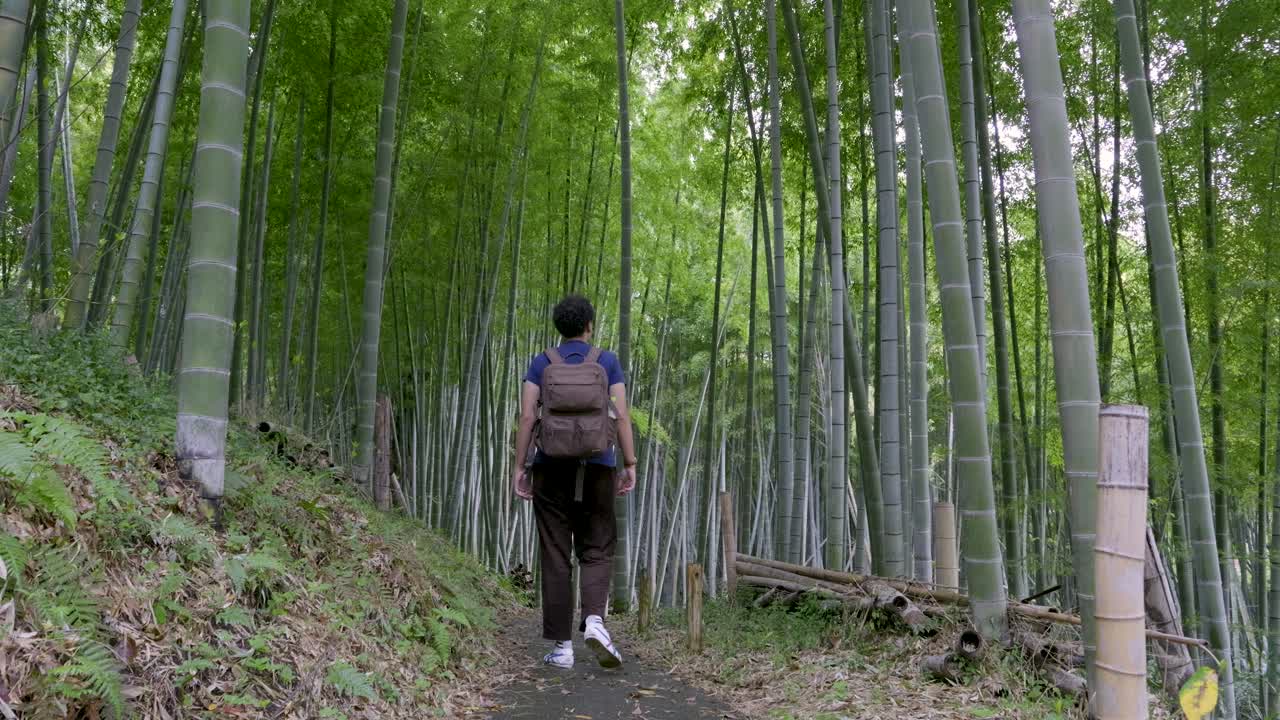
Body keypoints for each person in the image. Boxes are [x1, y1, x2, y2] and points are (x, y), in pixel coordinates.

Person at [512, 295, 637, 670]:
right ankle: (595, 621)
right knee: (597, 545)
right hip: (599, 465)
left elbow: (526, 417)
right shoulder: (607, 361)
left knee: (555, 553)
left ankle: (562, 647)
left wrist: (520, 466)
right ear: (589, 326)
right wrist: (629, 462)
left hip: (551, 467)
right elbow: (622, 416)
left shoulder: (541, 363)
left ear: (559, 328)